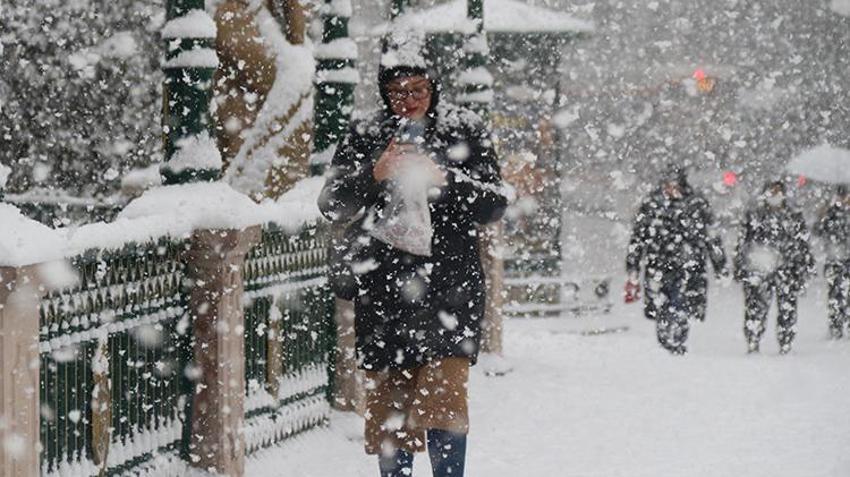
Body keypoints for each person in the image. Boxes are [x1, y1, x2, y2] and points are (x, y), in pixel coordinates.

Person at [318, 30, 507, 477]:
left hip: (449, 293)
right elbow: (331, 204)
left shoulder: (464, 129)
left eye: (418, 89)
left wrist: (446, 179)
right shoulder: (367, 133)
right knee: (391, 415)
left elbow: (495, 204)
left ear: (433, 85)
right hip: (385, 294)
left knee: (445, 408)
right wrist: (374, 173)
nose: (408, 101)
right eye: (397, 92)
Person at [624, 165, 727, 354]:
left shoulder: (695, 204)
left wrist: (720, 265)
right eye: (668, 185)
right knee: (663, 304)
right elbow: (638, 239)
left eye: (674, 185)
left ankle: (676, 339)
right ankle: (668, 338)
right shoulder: (653, 205)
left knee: (681, 303)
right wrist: (633, 267)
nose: (670, 189)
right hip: (660, 266)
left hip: (688, 267)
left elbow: (711, 237)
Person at [734, 181, 813, 354]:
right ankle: (753, 340)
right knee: (756, 307)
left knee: (787, 308)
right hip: (760, 267)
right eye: (772, 192)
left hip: (787, 269)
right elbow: (743, 242)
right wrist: (740, 265)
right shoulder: (755, 216)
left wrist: (805, 265)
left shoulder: (793, 217)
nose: (775, 196)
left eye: (778, 192)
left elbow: (803, 245)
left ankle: (785, 342)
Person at [814, 185, 850, 339]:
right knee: (835, 294)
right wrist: (821, 217)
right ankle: (836, 325)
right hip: (834, 259)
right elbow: (819, 231)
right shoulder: (831, 213)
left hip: (843, 258)